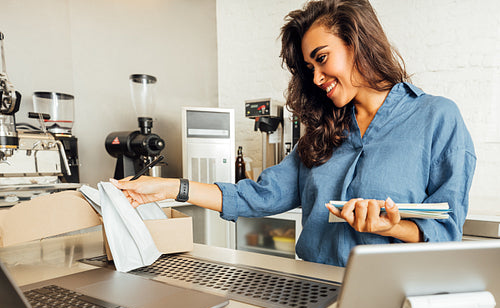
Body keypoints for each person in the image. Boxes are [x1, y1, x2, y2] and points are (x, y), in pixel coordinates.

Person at [111, 0, 476, 267]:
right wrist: (170, 187)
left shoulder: (436, 118)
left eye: (321, 58)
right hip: (310, 288)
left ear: (357, 42)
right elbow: (258, 196)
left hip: (389, 297)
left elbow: (446, 232)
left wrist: (391, 227)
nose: (316, 78)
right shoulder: (323, 130)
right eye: (308, 67)